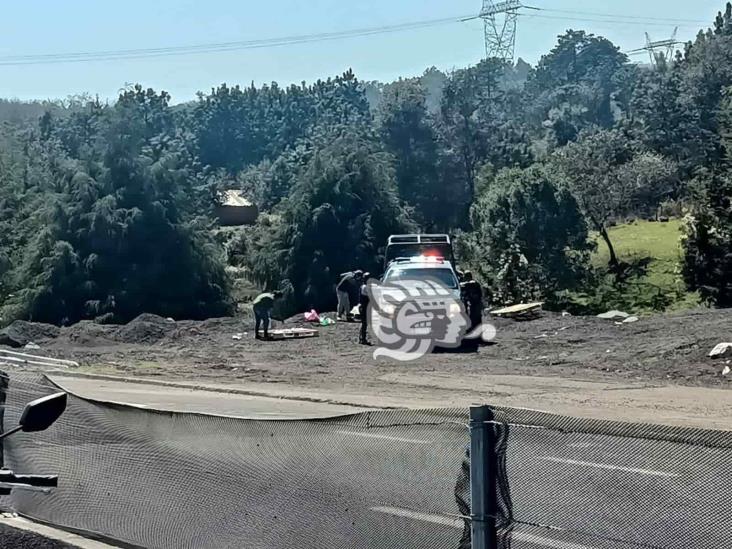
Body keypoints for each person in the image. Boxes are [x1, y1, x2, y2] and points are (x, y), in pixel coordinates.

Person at [358, 273, 371, 345]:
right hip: (364, 307)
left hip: (364, 306)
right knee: (364, 323)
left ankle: (362, 338)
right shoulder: (365, 287)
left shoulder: (364, 286)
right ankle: (362, 338)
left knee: (364, 323)